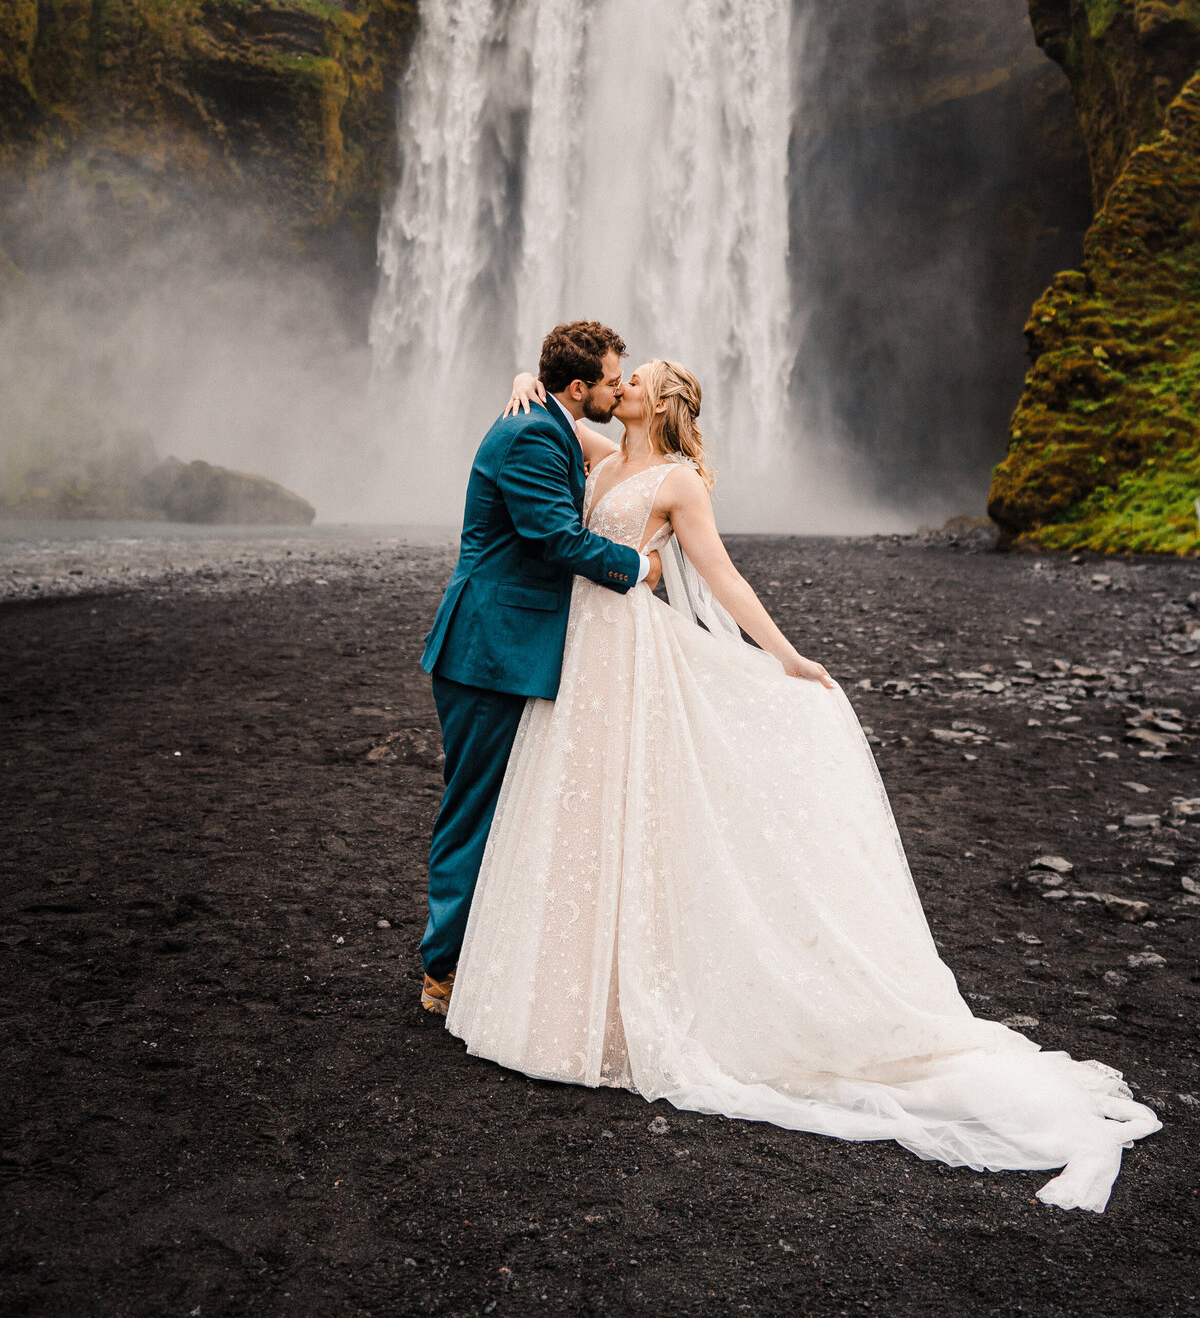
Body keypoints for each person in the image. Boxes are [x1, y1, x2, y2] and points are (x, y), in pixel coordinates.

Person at [442, 357, 1160, 1213]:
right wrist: (526, 374)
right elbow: (559, 422)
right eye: (620, 373)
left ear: (663, 401)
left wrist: (783, 654)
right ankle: (572, 999)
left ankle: (626, 1004)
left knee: (636, 812)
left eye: (639, 375)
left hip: (631, 654)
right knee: (579, 810)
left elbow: (722, 577)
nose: (623, 380)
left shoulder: (677, 482)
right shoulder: (603, 458)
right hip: (584, 655)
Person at [416, 320, 662, 1017]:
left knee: (503, 806)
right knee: (475, 811)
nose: (621, 388)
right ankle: (443, 975)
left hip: (509, 647)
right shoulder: (532, 434)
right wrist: (637, 566)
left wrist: (524, 380)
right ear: (579, 385)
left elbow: (628, 461)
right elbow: (554, 536)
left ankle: (475, 960)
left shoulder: (548, 418)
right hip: (489, 650)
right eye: (614, 381)